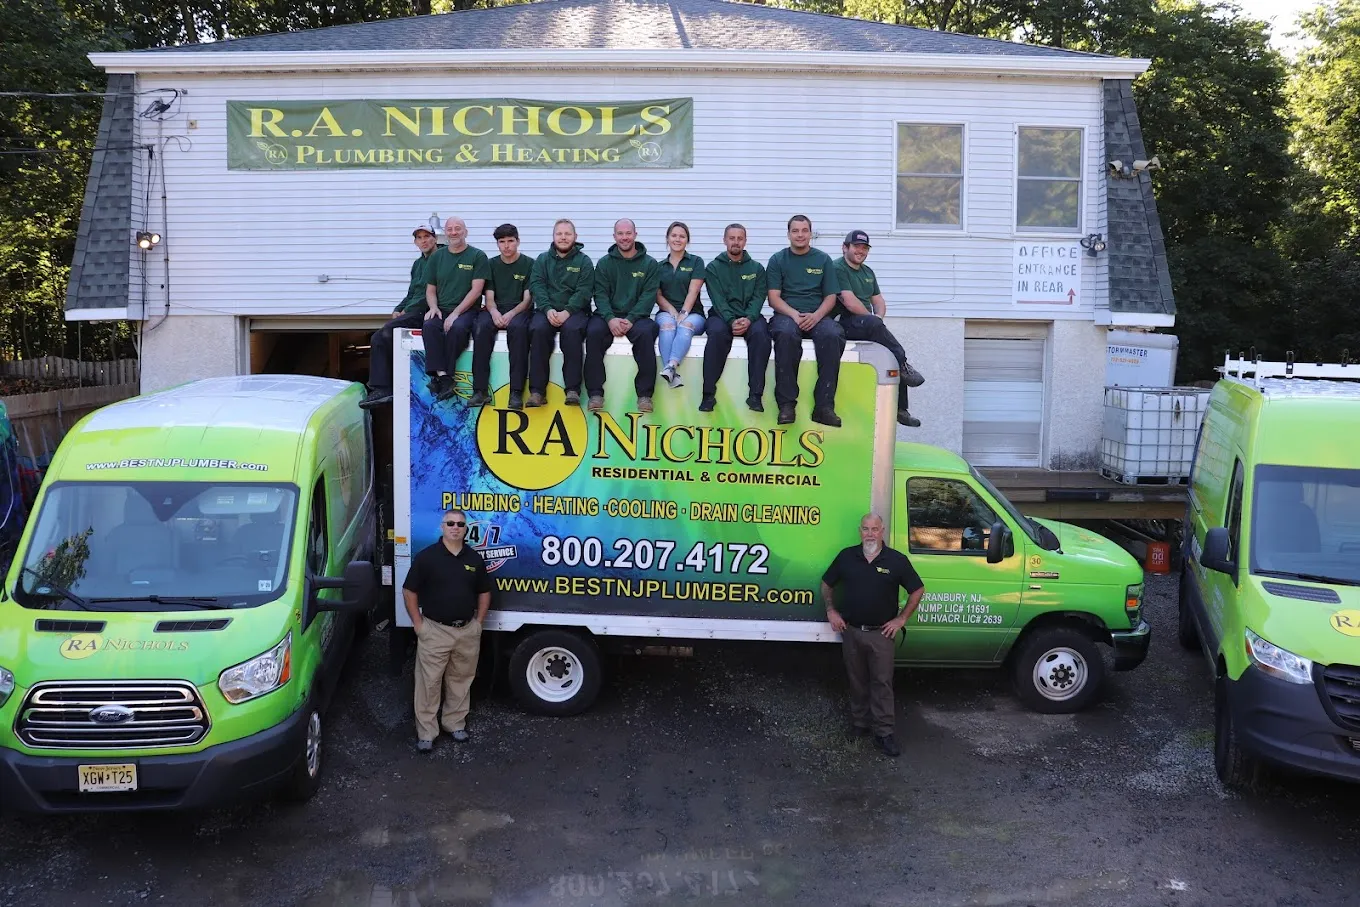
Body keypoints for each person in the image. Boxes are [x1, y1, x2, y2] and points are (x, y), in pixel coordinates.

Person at [820, 512, 925, 758]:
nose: (870, 534)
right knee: (857, 681)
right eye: (865, 529)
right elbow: (826, 583)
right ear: (860, 531)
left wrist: (901, 619)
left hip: (881, 635)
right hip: (852, 632)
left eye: (874, 529)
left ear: (882, 531)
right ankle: (860, 724)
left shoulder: (896, 561)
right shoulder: (847, 557)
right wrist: (831, 609)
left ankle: (884, 733)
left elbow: (918, 589)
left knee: (882, 684)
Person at [402, 508, 492, 752]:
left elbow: (484, 592)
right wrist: (418, 624)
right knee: (428, 683)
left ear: (466, 529)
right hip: (434, 630)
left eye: (460, 524)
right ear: (442, 527)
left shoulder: (474, 559)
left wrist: (478, 623)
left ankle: (455, 724)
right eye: (450, 523)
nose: (455, 527)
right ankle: (427, 733)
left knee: (461, 680)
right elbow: (409, 591)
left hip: (466, 632)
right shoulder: (427, 557)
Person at [834, 230, 927, 428]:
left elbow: (879, 301)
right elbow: (849, 302)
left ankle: (901, 410)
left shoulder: (868, 272)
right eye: (856, 246)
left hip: (866, 323)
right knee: (893, 351)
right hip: (843, 322)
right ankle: (905, 365)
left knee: (891, 355)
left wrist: (877, 318)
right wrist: (873, 320)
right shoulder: (838, 268)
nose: (860, 251)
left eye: (864, 248)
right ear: (845, 247)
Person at [767, 215, 845, 427]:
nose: (800, 235)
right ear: (789, 234)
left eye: (804, 230)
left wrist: (817, 316)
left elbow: (831, 296)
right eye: (795, 231)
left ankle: (824, 406)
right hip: (787, 315)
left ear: (810, 233)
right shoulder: (777, 260)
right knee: (786, 334)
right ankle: (786, 405)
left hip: (817, 315)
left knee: (832, 334)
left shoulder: (823, 260)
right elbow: (773, 297)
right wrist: (793, 314)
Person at [360, 225, 439, 409]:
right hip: (412, 310)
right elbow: (412, 292)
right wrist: (399, 308)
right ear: (415, 242)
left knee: (384, 334)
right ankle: (385, 387)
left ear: (435, 239)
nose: (423, 240)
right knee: (381, 336)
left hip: (427, 311)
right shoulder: (418, 264)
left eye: (427, 236)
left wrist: (407, 310)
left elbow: (430, 293)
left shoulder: (441, 259)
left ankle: (384, 387)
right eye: (419, 238)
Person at [588, 219, 661, 413]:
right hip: (608, 316)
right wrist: (610, 318)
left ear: (635, 235)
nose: (624, 237)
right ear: (614, 237)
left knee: (647, 334)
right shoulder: (604, 263)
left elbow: (649, 296)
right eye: (620, 234)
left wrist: (631, 319)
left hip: (637, 317)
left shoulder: (650, 264)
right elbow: (600, 294)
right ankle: (595, 394)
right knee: (593, 332)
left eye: (628, 233)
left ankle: (645, 395)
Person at [701, 224, 771, 413]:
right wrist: (731, 320)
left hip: (750, 315)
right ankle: (708, 395)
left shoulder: (756, 268)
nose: (736, 242)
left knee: (762, 336)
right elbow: (718, 300)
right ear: (725, 240)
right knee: (716, 334)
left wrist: (748, 319)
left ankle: (755, 396)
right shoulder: (713, 268)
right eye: (732, 238)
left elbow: (759, 297)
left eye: (740, 238)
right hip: (721, 315)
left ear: (745, 241)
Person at [424, 217, 493, 404]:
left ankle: (440, 380)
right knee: (429, 326)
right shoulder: (437, 257)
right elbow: (430, 289)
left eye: (458, 229)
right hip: (441, 308)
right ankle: (444, 376)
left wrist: (456, 313)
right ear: (445, 233)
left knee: (457, 329)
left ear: (465, 232)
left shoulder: (477, 256)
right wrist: (433, 308)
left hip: (467, 309)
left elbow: (477, 290)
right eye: (450, 229)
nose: (454, 232)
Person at [528, 219, 594, 407]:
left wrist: (567, 312)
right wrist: (548, 309)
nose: (563, 237)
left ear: (575, 237)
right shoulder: (542, 260)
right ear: (553, 236)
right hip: (546, 310)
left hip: (575, 311)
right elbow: (537, 285)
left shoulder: (584, 261)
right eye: (559, 234)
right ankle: (537, 391)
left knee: (572, 332)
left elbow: (584, 290)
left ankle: (572, 389)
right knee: (538, 330)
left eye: (567, 234)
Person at [486, 223, 534, 410]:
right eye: (502, 242)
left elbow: (527, 300)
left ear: (518, 241)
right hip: (495, 309)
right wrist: (495, 312)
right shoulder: (491, 264)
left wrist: (512, 314)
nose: (506, 246)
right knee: (481, 329)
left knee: (519, 330)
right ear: (497, 244)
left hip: (520, 310)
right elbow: (489, 298)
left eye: (510, 241)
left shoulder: (530, 264)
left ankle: (516, 392)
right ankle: (480, 389)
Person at [655, 221, 706, 390]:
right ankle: (671, 371)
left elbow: (693, 291)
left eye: (682, 236)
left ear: (687, 240)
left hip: (693, 313)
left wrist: (683, 312)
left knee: (685, 326)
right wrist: (671, 311)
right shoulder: (658, 266)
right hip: (666, 312)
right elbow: (657, 294)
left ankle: (670, 367)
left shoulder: (696, 262)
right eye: (674, 235)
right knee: (668, 325)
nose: (678, 239)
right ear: (667, 239)